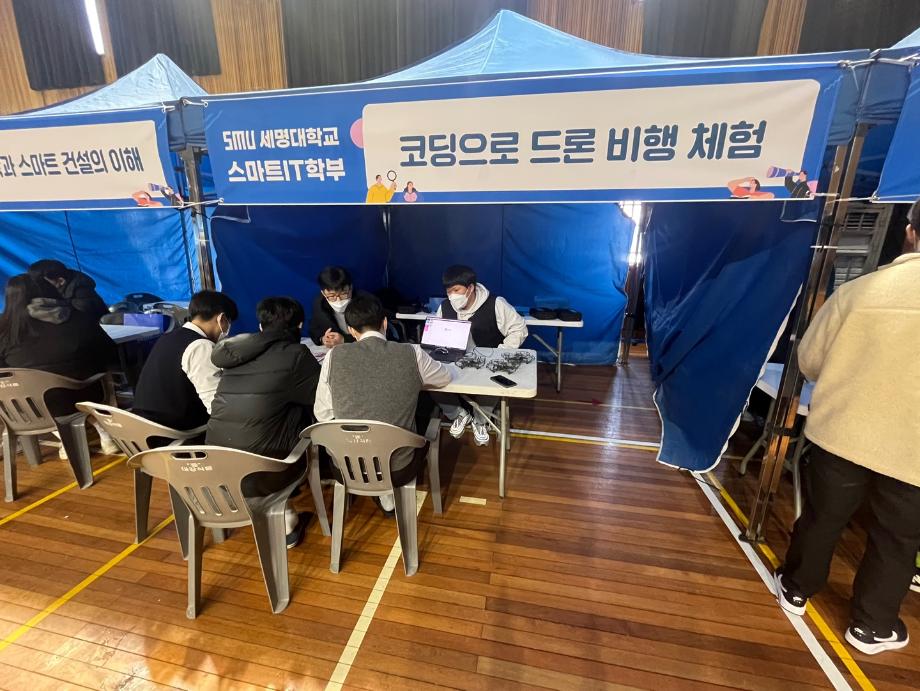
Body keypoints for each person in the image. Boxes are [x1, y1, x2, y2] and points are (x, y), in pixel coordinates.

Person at [773, 199, 920, 656]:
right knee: (898, 540)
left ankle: (796, 588)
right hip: (913, 451)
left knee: (823, 518)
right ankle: (872, 627)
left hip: (842, 432)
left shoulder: (859, 292)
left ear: (909, 231)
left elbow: (810, 360)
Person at [314, 293, 451, 515]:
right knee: (426, 410)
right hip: (398, 468)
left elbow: (322, 414)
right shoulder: (411, 353)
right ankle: (387, 494)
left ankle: (382, 496)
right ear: (385, 323)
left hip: (347, 467)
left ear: (351, 331)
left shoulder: (334, 356)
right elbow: (443, 378)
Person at [207, 296, 320, 548]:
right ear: (299, 325)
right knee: (303, 417)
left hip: (218, 466)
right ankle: (285, 516)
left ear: (260, 326)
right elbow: (321, 400)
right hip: (265, 472)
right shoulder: (297, 354)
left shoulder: (234, 354)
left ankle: (280, 510)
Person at [0, 274, 119, 455]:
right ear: (50, 291)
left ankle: (64, 438)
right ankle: (101, 429)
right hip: (81, 397)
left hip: (26, 409)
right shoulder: (78, 319)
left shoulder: (5, 330)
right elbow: (108, 354)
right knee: (93, 377)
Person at [434, 265, 527, 445]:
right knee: (429, 376)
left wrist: (502, 351)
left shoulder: (496, 304)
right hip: (455, 362)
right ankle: (458, 414)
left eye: (456, 290)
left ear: (470, 288)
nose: (452, 296)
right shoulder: (444, 307)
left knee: (494, 379)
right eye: (448, 291)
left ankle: (480, 420)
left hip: (487, 365)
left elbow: (519, 328)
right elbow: (438, 333)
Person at [132, 290, 238, 432]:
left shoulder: (167, 337)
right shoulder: (201, 346)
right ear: (222, 319)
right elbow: (217, 405)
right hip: (172, 431)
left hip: (141, 424)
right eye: (229, 322)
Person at [309, 266, 369, 348]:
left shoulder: (366, 302)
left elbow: (374, 334)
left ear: (351, 288)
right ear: (323, 293)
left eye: (343, 294)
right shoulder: (319, 305)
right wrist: (323, 339)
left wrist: (344, 340)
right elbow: (314, 329)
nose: (338, 300)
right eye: (331, 296)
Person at [28, 259, 108, 320]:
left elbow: (83, 314)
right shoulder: (62, 286)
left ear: (61, 281)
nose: (44, 285)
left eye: (45, 282)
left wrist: (57, 304)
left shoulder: (81, 291)